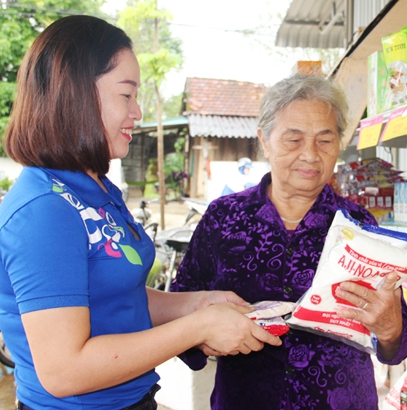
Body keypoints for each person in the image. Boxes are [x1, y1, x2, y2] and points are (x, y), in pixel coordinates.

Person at [0, 15, 280, 409]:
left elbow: (116, 294)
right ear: (76, 95)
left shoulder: (96, 189)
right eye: (126, 95)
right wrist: (196, 328)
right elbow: (64, 371)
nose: (138, 112)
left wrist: (198, 304)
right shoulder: (44, 210)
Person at [170, 74, 407, 409]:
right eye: (294, 139)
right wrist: (201, 338)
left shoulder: (359, 226)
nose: (311, 155)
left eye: (325, 141)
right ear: (265, 140)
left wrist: (389, 329)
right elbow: (180, 306)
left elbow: (397, 347)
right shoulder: (224, 218)